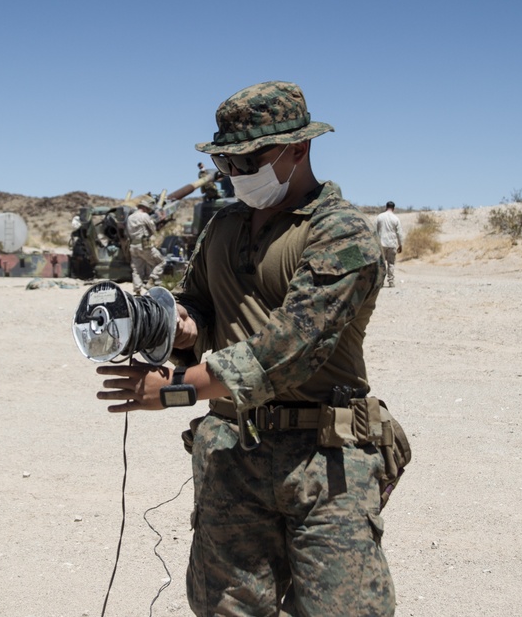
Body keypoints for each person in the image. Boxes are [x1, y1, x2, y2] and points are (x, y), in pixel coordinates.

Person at [97, 81, 395, 616]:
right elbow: (198, 305)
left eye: (249, 158)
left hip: (325, 462)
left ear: (297, 149)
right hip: (232, 449)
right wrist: (179, 325)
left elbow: (288, 349)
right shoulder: (224, 224)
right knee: (227, 608)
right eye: (225, 160)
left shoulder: (341, 232)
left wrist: (171, 390)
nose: (235, 173)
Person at [125, 196, 166, 295]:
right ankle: (152, 280)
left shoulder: (130, 218)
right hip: (144, 246)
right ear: (146, 208)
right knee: (161, 262)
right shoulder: (144, 216)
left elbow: (127, 233)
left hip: (133, 246)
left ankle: (137, 291)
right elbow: (153, 228)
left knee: (136, 270)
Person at [374, 201, 404, 288]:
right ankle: (391, 281)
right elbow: (399, 233)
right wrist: (400, 244)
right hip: (392, 244)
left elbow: (374, 230)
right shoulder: (396, 218)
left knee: (381, 263)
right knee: (391, 263)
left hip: (381, 244)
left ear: (386, 207)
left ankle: (381, 282)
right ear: (393, 208)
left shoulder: (380, 217)